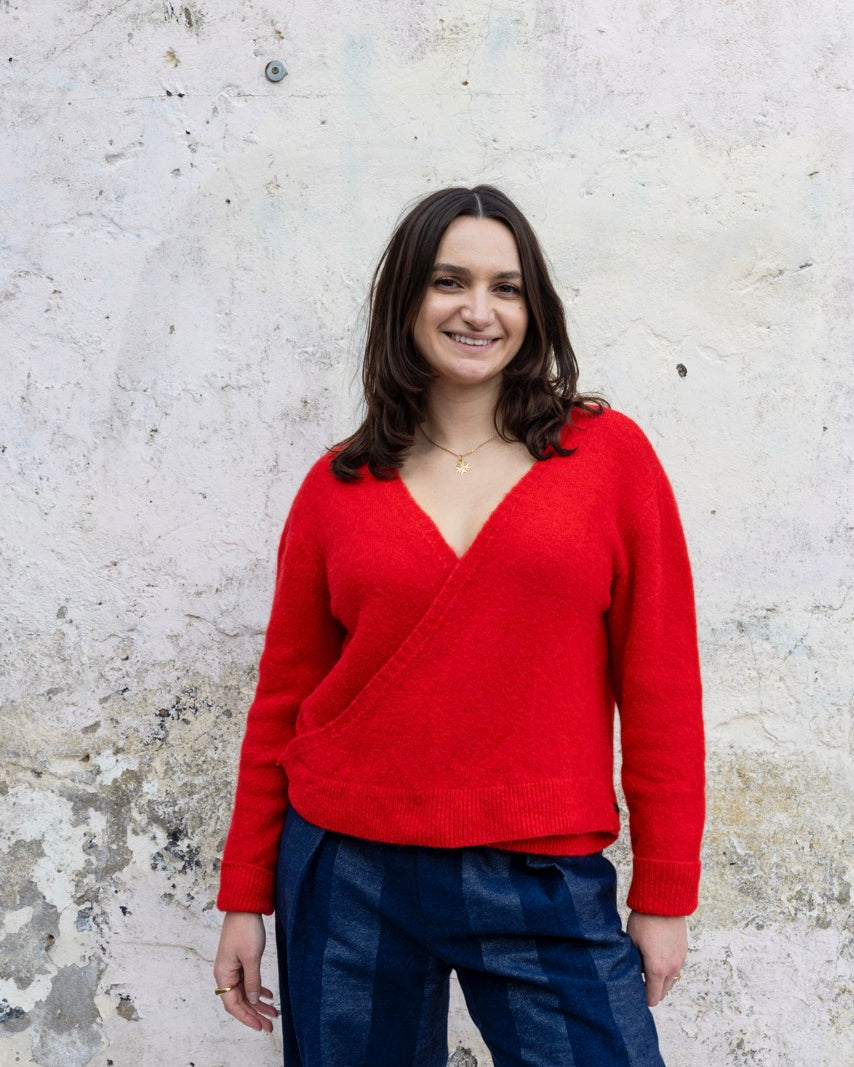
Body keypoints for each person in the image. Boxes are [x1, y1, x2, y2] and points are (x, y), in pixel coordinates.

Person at [212, 185, 704, 1066]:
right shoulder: (337, 486)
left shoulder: (609, 459)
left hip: (539, 869)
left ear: (533, 308)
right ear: (407, 299)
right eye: (450, 281)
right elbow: (282, 698)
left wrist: (665, 892)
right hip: (349, 867)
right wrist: (244, 894)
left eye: (505, 287)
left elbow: (662, 685)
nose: (479, 310)